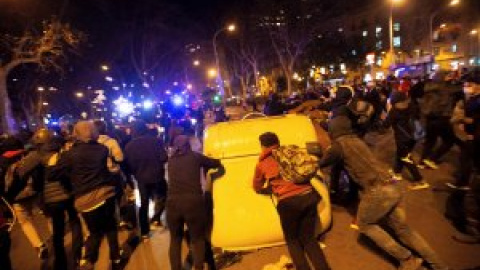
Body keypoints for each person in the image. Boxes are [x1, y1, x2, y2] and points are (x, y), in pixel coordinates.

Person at [319, 114, 448, 270]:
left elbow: (322, 163)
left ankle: (407, 258)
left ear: (334, 131)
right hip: (393, 185)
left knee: (365, 224)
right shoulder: (356, 140)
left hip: (378, 191)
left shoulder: (338, 146)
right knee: (404, 230)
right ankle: (440, 266)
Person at [49, 121, 123, 270]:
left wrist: (60, 167)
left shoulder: (69, 155)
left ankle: (89, 260)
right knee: (110, 227)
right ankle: (115, 258)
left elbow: (52, 175)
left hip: (84, 199)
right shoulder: (102, 149)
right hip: (105, 193)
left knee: (94, 232)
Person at [253, 132, 331, 270]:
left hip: (288, 203)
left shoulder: (263, 163)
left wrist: (268, 188)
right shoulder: (292, 152)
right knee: (309, 240)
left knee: (293, 240)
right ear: (278, 142)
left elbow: (257, 186)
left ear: (263, 146)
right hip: (308, 196)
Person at [16, 128, 83, 269]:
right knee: (75, 222)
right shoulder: (62, 150)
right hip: (68, 193)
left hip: (52, 199)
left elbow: (21, 172)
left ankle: (61, 263)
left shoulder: (36, 155)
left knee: (58, 233)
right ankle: (78, 255)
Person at [167, 135, 222, 270]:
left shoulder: (171, 160)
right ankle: (198, 267)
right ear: (188, 145)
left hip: (172, 203)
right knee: (197, 239)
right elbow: (215, 163)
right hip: (193, 203)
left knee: (175, 239)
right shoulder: (195, 157)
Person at [447, 68, 480, 243]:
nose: (466, 87)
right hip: (473, 150)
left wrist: (468, 128)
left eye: (471, 85)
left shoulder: (475, 104)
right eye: (465, 84)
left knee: (472, 196)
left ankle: (475, 233)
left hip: (476, 150)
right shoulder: (470, 102)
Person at [125, 120, 168, 238]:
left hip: (141, 178)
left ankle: (144, 231)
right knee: (161, 197)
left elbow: (128, 165)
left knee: (144, 204)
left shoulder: (129, 146)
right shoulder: (156, 141)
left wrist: (136, 172)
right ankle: (156, 219)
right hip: (157, 175)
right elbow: (164, 158)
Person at [384, 92, 429, 190]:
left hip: (402, 139)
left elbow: (385, 125)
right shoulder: (411, 107)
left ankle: (420, 180)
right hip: (412, 138)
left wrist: (387, 112)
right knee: (401, 154)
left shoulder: (394, 111)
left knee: (406, 159)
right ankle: (397, 173)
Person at [419, 71, 460, 169]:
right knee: (450, 140)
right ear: (442, 77)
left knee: (430, 141)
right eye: (448, 75)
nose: (449, 77)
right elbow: (457, 90)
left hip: (429, 118)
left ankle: (422, 162)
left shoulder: (429, 86)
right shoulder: (445, 88)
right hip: (441, 118)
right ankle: (432, 159)